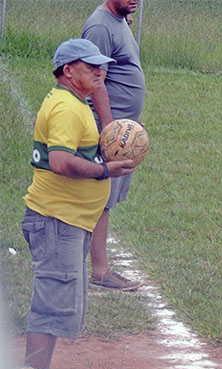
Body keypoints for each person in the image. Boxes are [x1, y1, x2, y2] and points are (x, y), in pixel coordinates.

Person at [22, 38, 135, 369]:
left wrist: (120, 138)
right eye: (90, 66)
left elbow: (80, 149)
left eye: (101, 66)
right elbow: (60, 161)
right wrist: (105, 171)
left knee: (56, 306)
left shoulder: (75, 103)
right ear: (68, 70)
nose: (100, 71)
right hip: (57, 221)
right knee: (49, 307)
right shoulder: (69, 109)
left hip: (66, 221)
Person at [82, 0, 146, 291]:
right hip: (109, 130)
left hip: (122, 128)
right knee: (100, 198)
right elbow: (96, 81)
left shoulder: (117, 20)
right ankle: (99, 270)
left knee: (106, 199)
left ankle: (98, 267)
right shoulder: (100, 27)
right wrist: (112, 130)